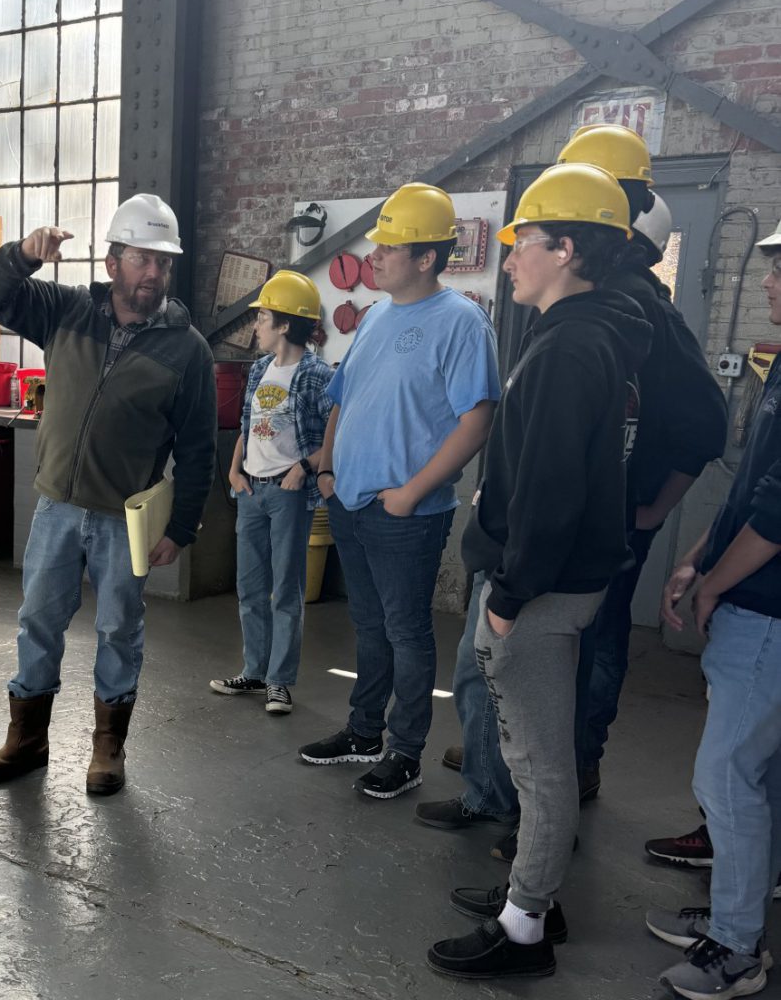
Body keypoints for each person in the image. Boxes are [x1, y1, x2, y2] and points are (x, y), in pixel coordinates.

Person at [424, 127, 727, 865]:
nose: (515, 250)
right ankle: (515, 793)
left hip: (567, 547)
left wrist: (645, 509)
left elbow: (696, 425)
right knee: (521, 690)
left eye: (532, 233)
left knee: (566, 684)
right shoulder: (583, 309)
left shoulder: (615, 315)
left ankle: (545, 813)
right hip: (559, 536)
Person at [427, 163, 651, 980]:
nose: (510, 256)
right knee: (537, 753)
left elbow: (554, 492)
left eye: (522, 242)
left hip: (542, 590)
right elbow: (553, 466)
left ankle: (525, 930)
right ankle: (531, 891)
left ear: (565, 248)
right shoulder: (588, 333)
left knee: (538, 760)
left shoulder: (569, 346)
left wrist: (510, 596)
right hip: (557, 578)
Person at [0, 193, 217, 795]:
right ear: (112, 263)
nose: (153, 273)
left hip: (123, 520)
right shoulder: (65, 309)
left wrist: (180, 529)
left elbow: (199, 449)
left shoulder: (188, 350)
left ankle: (109, 749)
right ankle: (27, 741)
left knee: (118, 630)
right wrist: (25, 254)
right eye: (141, 259)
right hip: (56, 505)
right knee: (38, 622)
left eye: (162, 262)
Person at [297, 182, 501, 800]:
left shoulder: (462, 323)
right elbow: (342, 397)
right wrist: (327, 472)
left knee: (407, 630)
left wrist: (412, 493)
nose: (376, 256)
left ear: (427, 258)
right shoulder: (377, 317)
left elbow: (478, 419)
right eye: (377, 245)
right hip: (353, 502)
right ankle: (362, 732)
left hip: (405, 512)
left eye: (392, 247)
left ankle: (404, 750)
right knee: (370, 625)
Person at [646, 218, 781, 1000]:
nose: (763, 280)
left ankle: (736, 947)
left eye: (776, 269)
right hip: (750, 600)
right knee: (749, 771)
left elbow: (778, 515)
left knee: (727, 774)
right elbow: (749, 492)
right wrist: (697, 553)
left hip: (766, 612)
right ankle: (735, 916)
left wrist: (714, 584)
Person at [209, 270, 333, 715]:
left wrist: (302, 469)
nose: (256, 326)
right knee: (250, 586)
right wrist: (233, 468)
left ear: (284, 324)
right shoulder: (260, 368)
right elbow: (247, 424)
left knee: (285, 589)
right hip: (250, 490)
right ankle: (255, 671)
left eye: (262, 317)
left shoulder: (317, 373)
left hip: (287, 492)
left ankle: (280, 681)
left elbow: (337, 435)